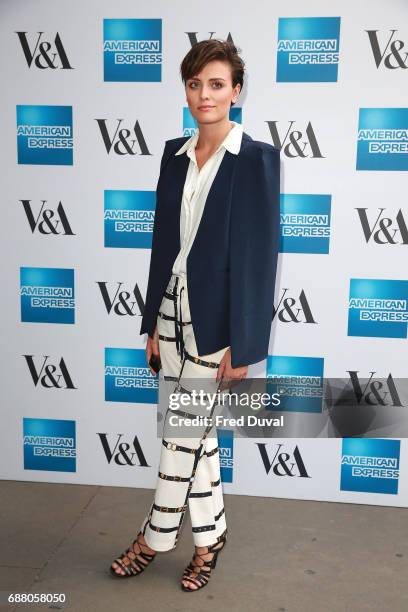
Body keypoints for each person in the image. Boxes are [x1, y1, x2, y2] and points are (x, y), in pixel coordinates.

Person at [109, 38, 280, 592]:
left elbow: (259, 257)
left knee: (180, 434)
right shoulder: (171, 154)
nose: (203, 94)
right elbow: (163, 246)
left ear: (235, 90)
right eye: (194, 84)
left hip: (216, 322)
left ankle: (153, 539)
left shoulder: (255, 159)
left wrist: (244, 341)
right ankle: (209, 540)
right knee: (196, 436)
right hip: (168, 313)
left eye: (215, 84)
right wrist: (149, 325)